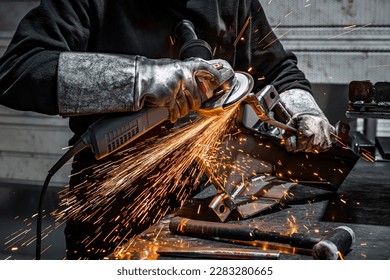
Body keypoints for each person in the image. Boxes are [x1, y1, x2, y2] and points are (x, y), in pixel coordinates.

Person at [0, 0, 334, 259]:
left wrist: (303, 108)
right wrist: (142, 78)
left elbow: (279, 69)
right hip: (111, 199)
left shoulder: (232, 3)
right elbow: (19, 70)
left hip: (208, 200)